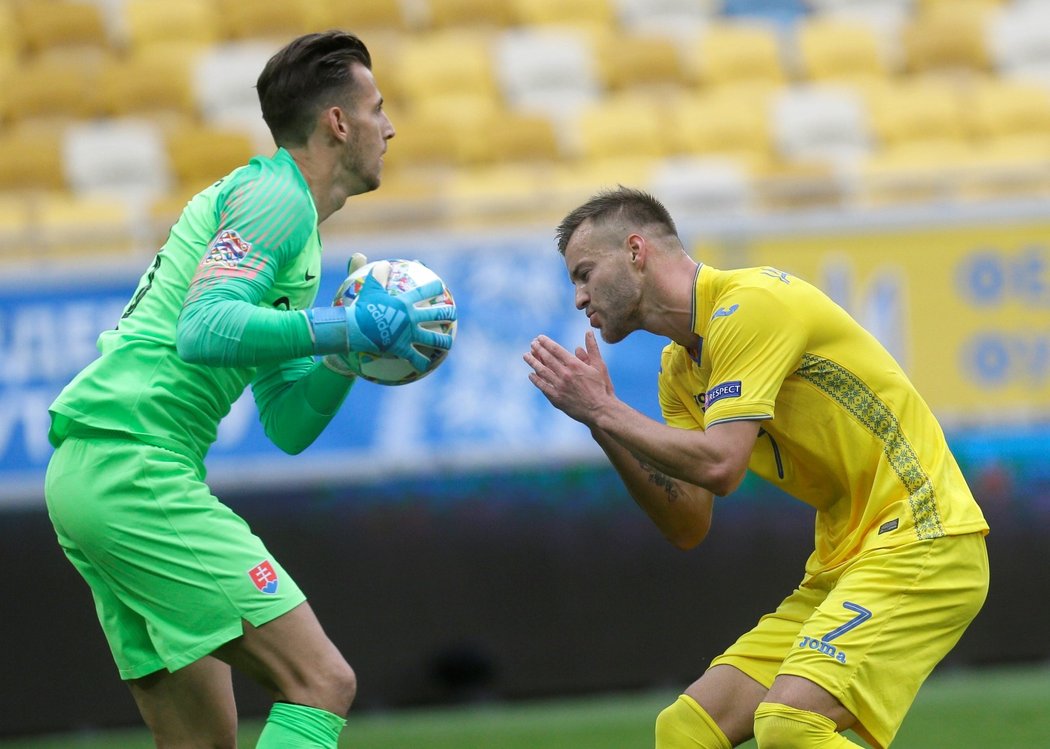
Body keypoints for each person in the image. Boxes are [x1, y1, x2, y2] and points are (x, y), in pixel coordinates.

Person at [44, 30, 454, 749]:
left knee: (202, 740)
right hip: (134, 467)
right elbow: (203, 328)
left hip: (96, 472)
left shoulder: (290, 229)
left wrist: (347, 354)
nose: (388, 127)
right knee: (322, 682)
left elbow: (287, 425)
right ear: (338, 122)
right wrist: (339, 325)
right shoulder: (275, 198)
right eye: (377, 109)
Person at [523, 186, 989, 749]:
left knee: (790, 725)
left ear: (636, 251)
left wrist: (604, 407)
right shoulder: (679, 372)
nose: (578, 298)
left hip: (924, 537)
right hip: (845, 559)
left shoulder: (749, 306)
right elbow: (688, 521)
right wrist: (602, 423)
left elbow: (722, 466)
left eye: (584, 273)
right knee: (687, 729)